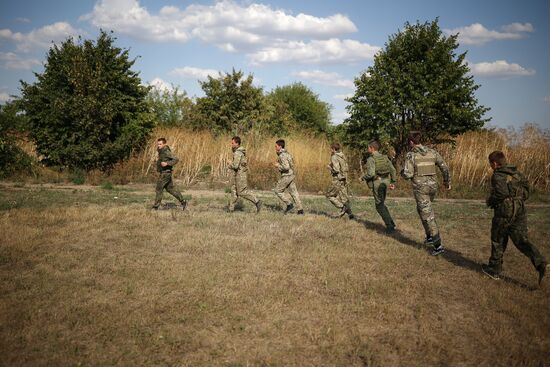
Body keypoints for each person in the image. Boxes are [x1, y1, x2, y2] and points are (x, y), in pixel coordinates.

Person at [481, 150, 547, 285]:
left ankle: (494, 270)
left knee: (498, 239)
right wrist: (518, 199)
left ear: (494, 163)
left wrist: (490, 201)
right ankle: (540, 262)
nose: (490, 167)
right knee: (521, 239)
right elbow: (527, 191)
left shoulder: (498, 175)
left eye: (490, 164)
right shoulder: (516, 173)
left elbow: (501, 193)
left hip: (504, 211)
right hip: (520, 209)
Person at [401, 131, 451, 255]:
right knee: (421, 209)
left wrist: (402, 172)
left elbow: (408, 174)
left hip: (421, 190)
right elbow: (444, 167)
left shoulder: (411, 155)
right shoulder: (432, 152)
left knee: (428, 216)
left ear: (412, 142)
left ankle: (438, 246)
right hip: (433, 187)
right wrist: (446, 182)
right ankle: (429, 237)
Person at [362, 140, 396, 233]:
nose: (367, 149)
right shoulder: (384, 157)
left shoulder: (371, 159)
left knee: (379, 206)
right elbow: (393, 170)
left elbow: (371, 174)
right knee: (382, 203)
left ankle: (389, 226)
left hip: (377, 183)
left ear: (372, 148)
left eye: (368, 147)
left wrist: (362, 177)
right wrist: (393, 182)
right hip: (386, 182)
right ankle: (391, 223)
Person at [228, 136, 262, 213]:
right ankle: (231, 209)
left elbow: (235, 166)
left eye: (233, 143)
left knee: (241, 192)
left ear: (237, 143)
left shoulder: (238, 153)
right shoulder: (238, 152)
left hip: (240, 175)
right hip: (237, 174)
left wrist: (230, 163)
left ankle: (257, 201)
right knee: (234, 191)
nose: (231, 144)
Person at [152, 138, 187, 210]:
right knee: (170, 189)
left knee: (159, 189)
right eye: (158, 144)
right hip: (165, 173)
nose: (158, 145)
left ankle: (155, 207)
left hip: (165, 173)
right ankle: (183, 201)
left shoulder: (166, 151)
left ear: (165, 144)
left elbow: (176, 159)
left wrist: (167, 163)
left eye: (160, 144)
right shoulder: (161, 150)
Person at [273, 139, 304, 214]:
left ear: (280, 146)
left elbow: (286, 167)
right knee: (294, 193)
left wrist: (278, 166)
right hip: (291, 175)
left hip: (286, 176)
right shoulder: (287, 153)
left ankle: (289, 204)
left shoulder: (282, 155)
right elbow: (292, 164)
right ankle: (300, 210)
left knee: (278, 190)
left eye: (276, 146)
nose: (275, 148)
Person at [326, 143, 354, 219]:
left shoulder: (334, 157)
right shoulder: (342, 156)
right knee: (344, 197)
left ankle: (342, 207)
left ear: (334, 149)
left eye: (331, 149)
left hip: (337, 179)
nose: (330, 150)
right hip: (344, 179)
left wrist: (330, 168)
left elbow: (336, 169)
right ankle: (350, 214)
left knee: (329, 195)